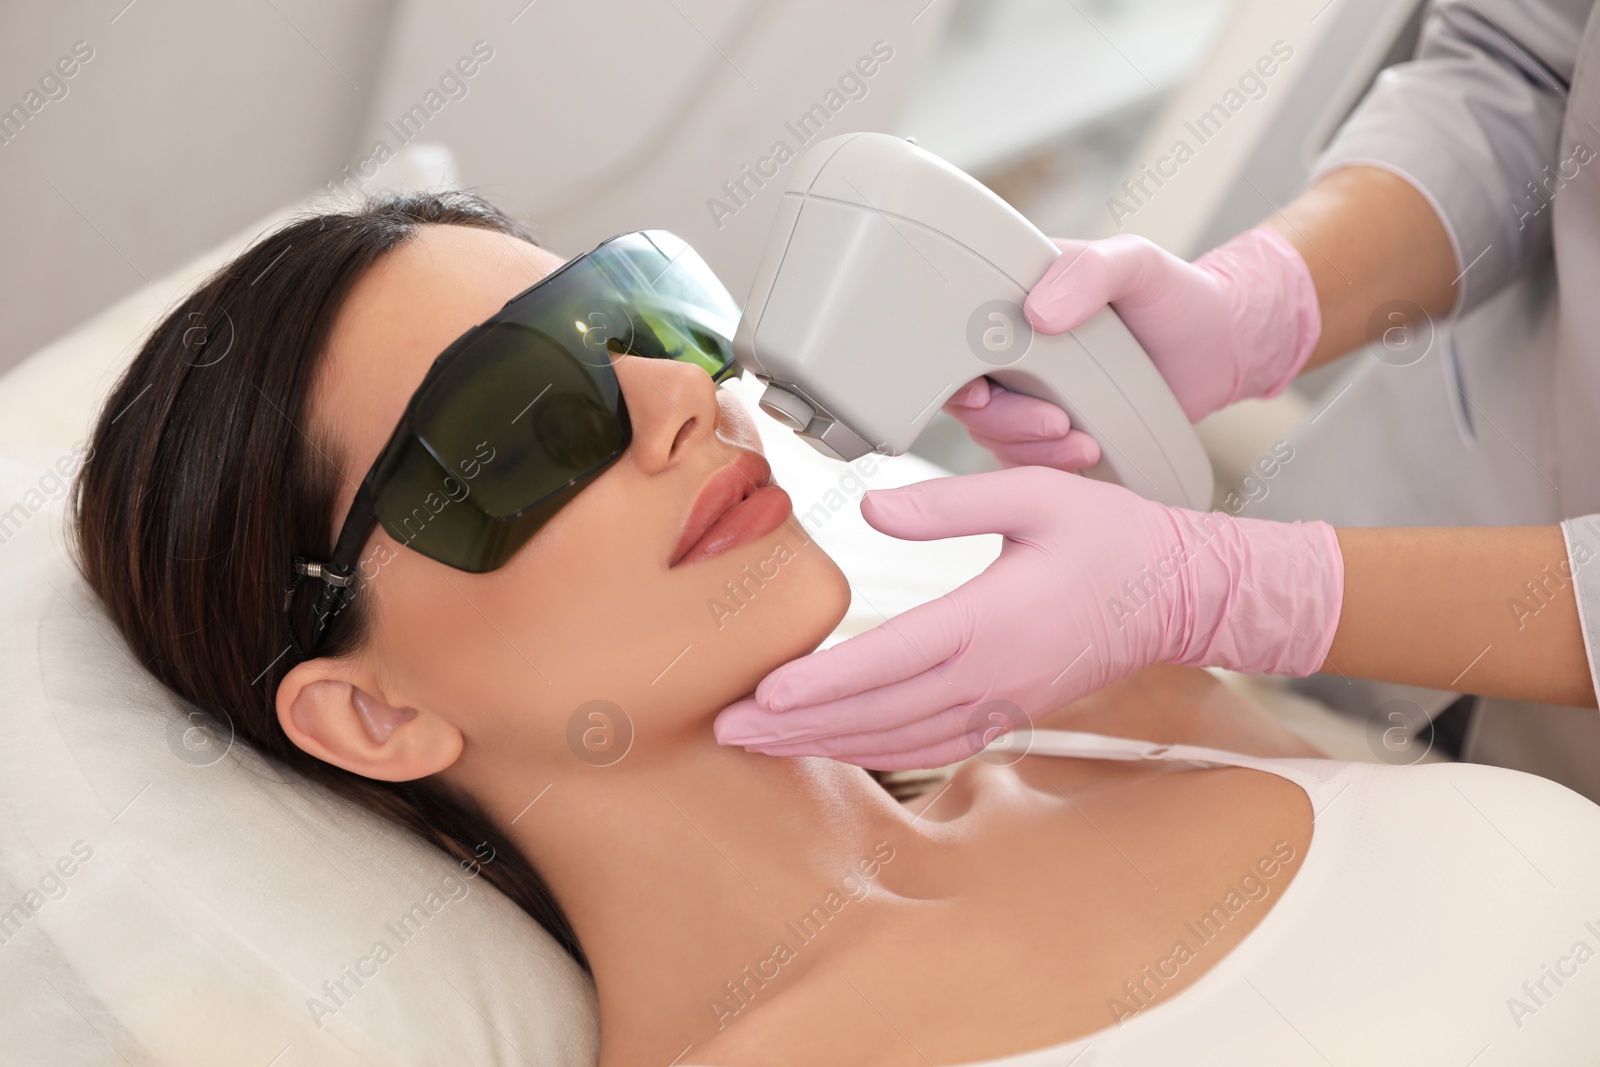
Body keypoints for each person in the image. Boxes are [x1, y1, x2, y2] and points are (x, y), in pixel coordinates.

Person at [69, 192, 1600, 1063]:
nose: (686, 397)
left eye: (640, 319)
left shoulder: (1132, 700)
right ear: (376, 713)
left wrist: (1225, 532)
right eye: (523, 422)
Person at [714, 0, 1600, 775]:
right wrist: (1259, 304)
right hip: (1438, 501)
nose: (679, 400)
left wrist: (1228, 594)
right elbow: (1522, 72)